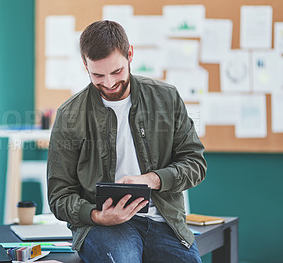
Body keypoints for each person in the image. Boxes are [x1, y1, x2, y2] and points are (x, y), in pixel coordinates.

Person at [47, 20, 207, 263]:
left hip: (163, 221)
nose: (109, 83)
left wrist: (152, 180)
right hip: (101, 228)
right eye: (97, 75)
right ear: (85, 65)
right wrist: (97, 215)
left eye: (117, 71)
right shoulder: (70, 115)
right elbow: (59, 196)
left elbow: (195, 164)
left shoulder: (166, 98)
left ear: (130, 54)